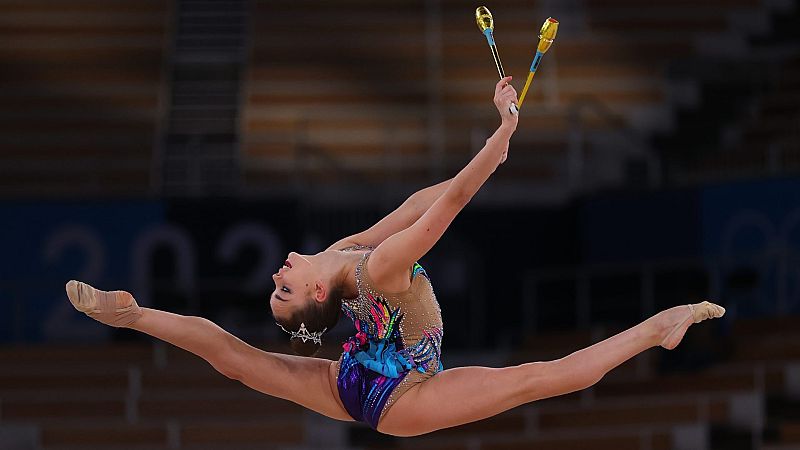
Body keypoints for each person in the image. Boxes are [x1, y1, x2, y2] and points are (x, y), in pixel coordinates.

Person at [66, 77, 725, 436]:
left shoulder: (344, 255)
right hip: (404, 392)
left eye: (278, 285)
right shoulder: (376, 271)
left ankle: (137, 316)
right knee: (535, 378)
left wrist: (494, 145)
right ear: (318, 297)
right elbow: (442, 212)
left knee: (240, 365)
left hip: (354, 379)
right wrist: (500, 139)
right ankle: (654, 329)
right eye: (284, 289)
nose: (278, 274)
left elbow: (417, 203)